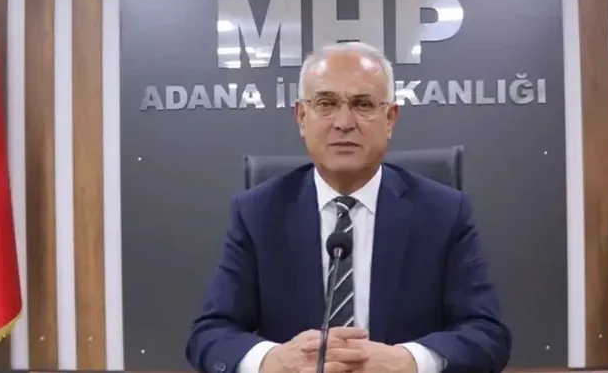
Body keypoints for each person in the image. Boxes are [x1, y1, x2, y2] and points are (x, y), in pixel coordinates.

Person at [185, 41, 511, 373]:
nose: (343, 122)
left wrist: (409, 361)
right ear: (301, 117)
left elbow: (486, 334)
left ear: (390, 118)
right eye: (326, 104)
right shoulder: (258, 213)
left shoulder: (443, 213)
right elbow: (210, 333)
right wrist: (273, 361)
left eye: (363, 104)